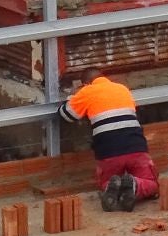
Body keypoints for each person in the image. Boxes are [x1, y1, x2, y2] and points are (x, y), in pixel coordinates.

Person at [60, 75, 157, 213]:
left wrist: (73, 98)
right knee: (150, 182)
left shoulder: (87, 91)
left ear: (86, 83)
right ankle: (135, 185)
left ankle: (112, 188)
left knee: (107, 181)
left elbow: (66, 114)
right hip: (136, 147)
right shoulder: (122, 88)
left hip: (108, 152)